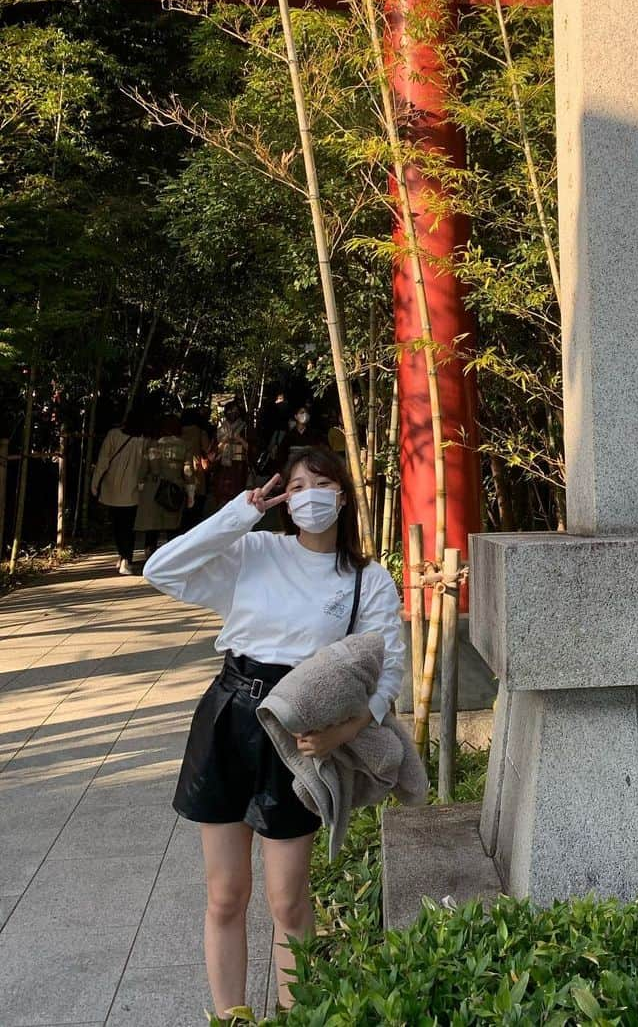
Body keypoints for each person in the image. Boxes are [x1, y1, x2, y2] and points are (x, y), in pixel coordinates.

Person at [142, 447, 404, 1016]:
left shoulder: (366, 579)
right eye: (298, 484)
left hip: (298, 734)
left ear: (342, 494)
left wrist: (348, 729)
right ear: (284, 495)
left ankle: (298, 1012)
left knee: (287, 899)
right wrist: (242, 511)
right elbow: (160, 569)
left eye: (322, 482)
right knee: (226, 894)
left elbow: (389, 669)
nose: (309, 494)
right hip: (230, 718)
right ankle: (230, 1014)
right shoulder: (255, 551)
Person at [90, 413, 147, 575]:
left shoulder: (113, 435)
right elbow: (144, 465)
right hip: (132, 490)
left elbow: (102, 461)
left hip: (112, 488)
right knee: (128, 527)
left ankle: (123, 556)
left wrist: (95, 484)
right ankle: (125, 559)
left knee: (117, 525)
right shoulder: (143, 440)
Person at [135, 415, 192, 558]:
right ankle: (171, 557)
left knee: (152, 526)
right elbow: (188, 470)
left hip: (153, 488)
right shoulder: (184, 445)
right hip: (174, 488)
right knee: (172, 526)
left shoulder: (153, 445)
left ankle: (150, 555)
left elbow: (143, 468)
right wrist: (190, 493)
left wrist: (140, 485)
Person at [211, 400, 251, 511]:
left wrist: (239, 439)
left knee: (237, 490)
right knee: (221, 490)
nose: (232, 413)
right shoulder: (221, 429)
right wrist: (225, 440)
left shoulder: (245, 428)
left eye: (235, 411)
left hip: (239, 465)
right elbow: (215, 449)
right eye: (229, 410)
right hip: (223, 465)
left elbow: (251, 447)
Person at [180, 407, 212, 531]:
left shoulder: (178, 430)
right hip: (195, 469)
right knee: (197, 501)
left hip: (179, 469)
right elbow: (207, 449)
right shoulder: (199, 431)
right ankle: (193, 528)